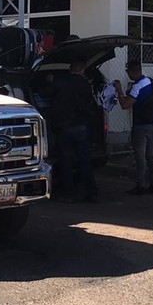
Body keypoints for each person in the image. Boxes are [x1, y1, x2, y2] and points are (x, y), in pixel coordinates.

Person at [42, 61, 98, 203]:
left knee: (66, 160)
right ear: (82, 70)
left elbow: (44, 93)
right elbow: (90, 104)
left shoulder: (61, 82)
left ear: (70, 69)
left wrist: (49, 81)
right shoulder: (85, 84)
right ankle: (91, 191)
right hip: (81, 127)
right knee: (85, 160)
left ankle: (69, 193)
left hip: (64, 127)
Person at [114, 59, 153, 195]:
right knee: (151, 155)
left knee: (140, 156)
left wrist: (120, 90)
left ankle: (140, 185)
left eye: (128, 72)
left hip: (141, 126)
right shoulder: (149, 82)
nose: (127, 74)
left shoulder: (137, 87)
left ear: (133, 71)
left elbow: (125, 105)